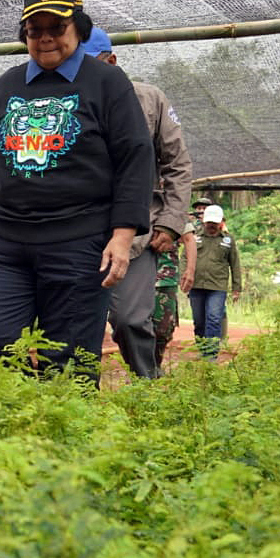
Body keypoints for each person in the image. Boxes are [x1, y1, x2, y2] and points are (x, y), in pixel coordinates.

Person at [0, 0, 153, 382]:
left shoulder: (107, 83)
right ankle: (18, 432)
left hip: (79, 243)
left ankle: (63, 438)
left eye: (57, 28)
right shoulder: (7, 84)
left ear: (79, 29)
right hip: (6, 242)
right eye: (35, 30)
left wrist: (122, 237)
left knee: (68, 359)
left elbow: (135, 159)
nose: (45, 38)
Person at [81, 26, 192, 378]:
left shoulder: (149, 99)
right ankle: (76, 398)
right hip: (78, 230)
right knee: (76, 324)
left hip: (136, 233)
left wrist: (171, 222)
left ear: (111, 61)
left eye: (89, 66)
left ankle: (147, 384)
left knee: (130, 320)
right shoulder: (66, 101)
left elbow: (177, 164)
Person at [189, 205, 241, 361]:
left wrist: (236, 288)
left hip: (217, 287)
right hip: (196, 285)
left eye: (214, 222)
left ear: (221, 222)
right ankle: (202, 349)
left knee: (213, 318)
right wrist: (185, 277)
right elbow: (185, 257)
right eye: (209, 222)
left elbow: (235, 264)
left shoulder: (228, 240)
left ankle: (210, 356)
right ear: (204, 221)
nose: (211, 225)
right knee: (199, 321)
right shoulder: (194, 237)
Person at [153, 221, 196, 369]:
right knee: (132, 324)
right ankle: (138, 367)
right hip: (135, 276)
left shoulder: (173, 210)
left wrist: (190, 270)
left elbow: (189, 239)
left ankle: (154, 367)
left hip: (165, 279)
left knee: (163, 328)